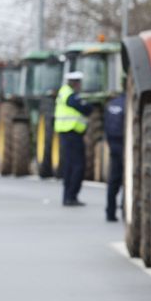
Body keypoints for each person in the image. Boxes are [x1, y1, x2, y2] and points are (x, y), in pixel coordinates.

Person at [55, 70, 92, 206]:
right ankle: (71, 196)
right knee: (77, 166)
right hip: (71, 133)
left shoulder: (67, 93)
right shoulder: (69, 94)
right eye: (78, 82)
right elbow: (85, 108)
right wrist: (87, 105)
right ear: (75, 83)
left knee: (70, 166)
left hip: (70, 133)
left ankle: (69, 196)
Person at [103, 93, 125, 222]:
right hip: (123, 143)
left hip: (113, 144)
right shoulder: (127, 103)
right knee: (125, 178)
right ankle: (124, 209)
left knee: (114, 179)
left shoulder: (111, 104)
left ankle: (110, 212)